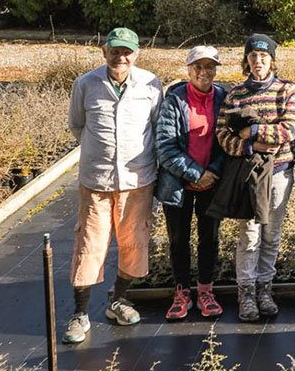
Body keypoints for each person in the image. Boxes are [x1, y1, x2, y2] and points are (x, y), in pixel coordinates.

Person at [63, 27, 164, 345]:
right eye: (115, 51)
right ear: (104, 52)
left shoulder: (150, 84)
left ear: (136, 54)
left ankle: (118, 300)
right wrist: (100, 152)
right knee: (89, 244)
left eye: (127, 51)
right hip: (97, 181)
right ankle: (80, 314)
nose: (121, 57)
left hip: (138, 180)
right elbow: (77, 125)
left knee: (134, 243)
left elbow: (156, 125)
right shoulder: (86, 84)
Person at [215, 33, 295, 323]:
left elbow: (289, 130)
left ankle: (266, 288)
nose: (258, 62)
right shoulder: (235, 94)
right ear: (247, 60)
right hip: (249, 174)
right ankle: (247, 292)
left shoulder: (286, 90)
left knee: (271, 234)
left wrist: (251, 131)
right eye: (253, 56)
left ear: (272, 60)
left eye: (264, 57)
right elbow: (223, 134)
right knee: (249, 235)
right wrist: (250, 146)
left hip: (279, 173)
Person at [153, 45, 228, 321]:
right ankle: (182, 291)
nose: (204, 72)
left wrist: (212, 172)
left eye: (209, 66)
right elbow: (166, 147)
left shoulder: (223, 98)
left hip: (212, 182)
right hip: (178, 185)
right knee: (178, 239)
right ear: (188, 69)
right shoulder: (174, 100)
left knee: (209, 238)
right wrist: (197, 174)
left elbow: (226, 143)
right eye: (198, 66)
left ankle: (206, 290)